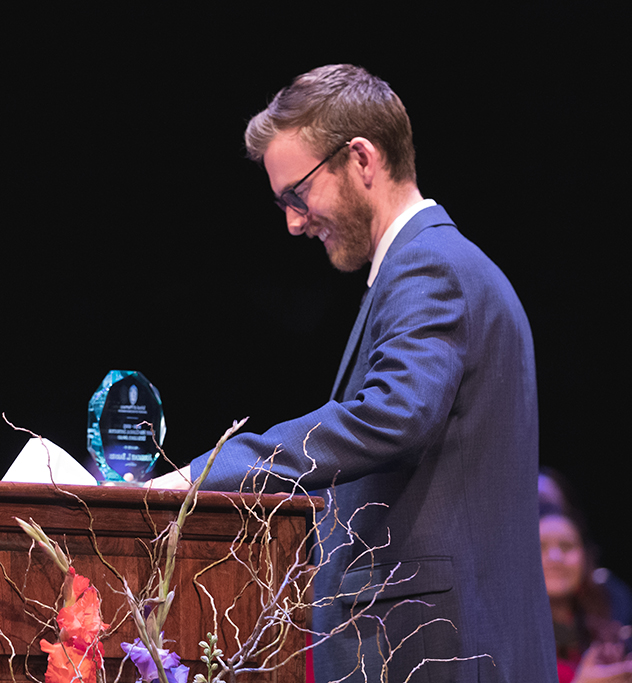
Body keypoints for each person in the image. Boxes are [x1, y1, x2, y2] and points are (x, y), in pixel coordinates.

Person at [152, 64, 556, 681]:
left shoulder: (430, 267)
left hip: (432, 653)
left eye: (297, 194)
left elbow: (390, 416)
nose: (292, 221)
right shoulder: (434, 265)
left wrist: (198, 478)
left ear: (361, 159)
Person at [540, 503, 632, 683]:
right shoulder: (509, 643)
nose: (555, 558)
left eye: (567, 546)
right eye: (540, 547)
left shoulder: (607, 633)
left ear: (585, 557)